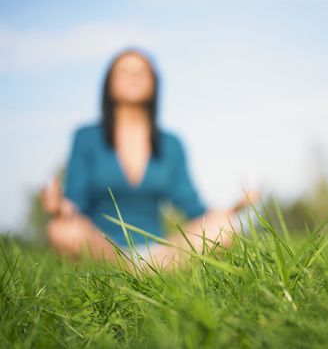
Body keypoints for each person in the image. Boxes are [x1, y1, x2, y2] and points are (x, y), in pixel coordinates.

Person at [40, 48, 258, 271]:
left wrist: (235, 208)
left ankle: (144, 270)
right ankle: (135, 271)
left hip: (159, 252)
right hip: (103, 249)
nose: (133, 76)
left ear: (154, 83)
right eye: (124, 71)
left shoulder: (171, 143)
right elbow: (76, 201)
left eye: (142, 72)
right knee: (61, 230)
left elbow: (192, 205)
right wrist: (58, 208)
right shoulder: (86, 138)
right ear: (109, 84)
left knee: (225, 227)